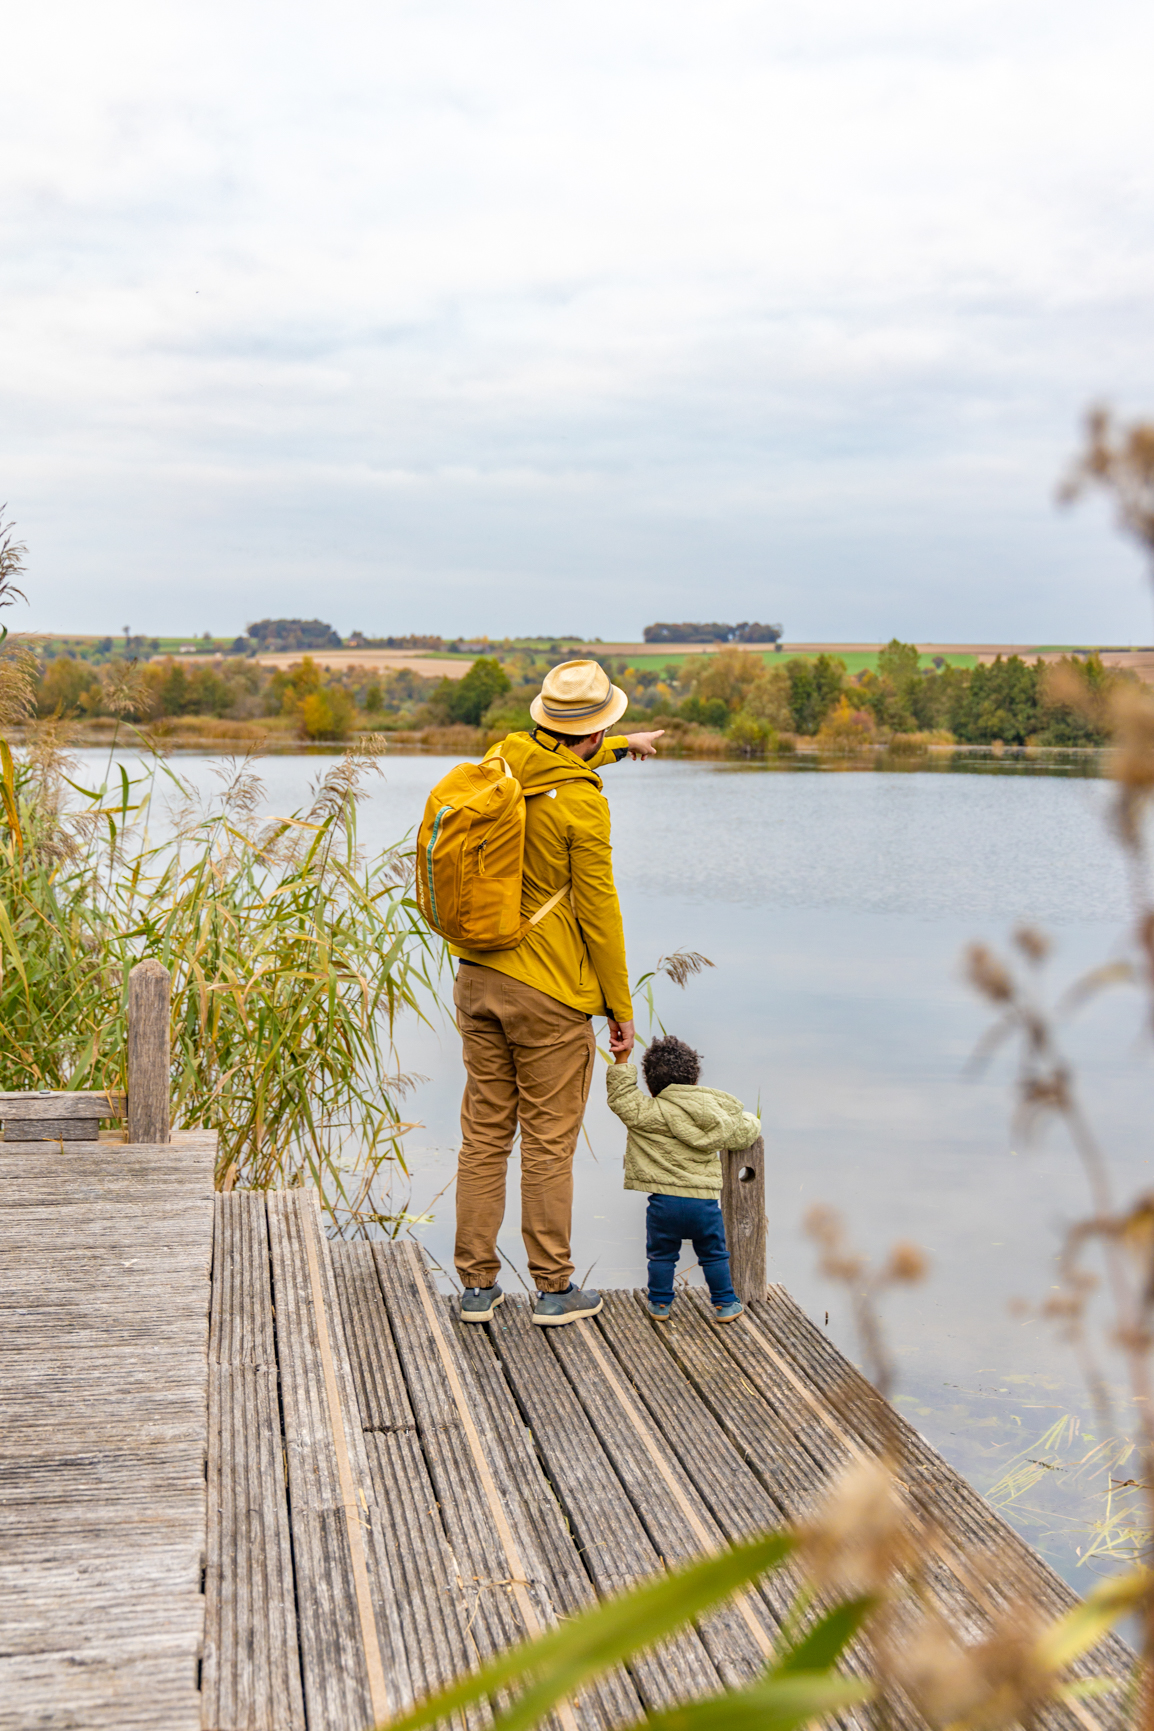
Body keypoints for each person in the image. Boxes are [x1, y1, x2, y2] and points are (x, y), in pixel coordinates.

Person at [452, 659, 663, 1326]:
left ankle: (477, 1290)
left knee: (484, 1136)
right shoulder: (583, 803)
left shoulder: (503, 761)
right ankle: (552, 1288)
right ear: (593, 734)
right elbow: (600, 913)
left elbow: (563, 757)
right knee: (547, 1142)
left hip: (478, 980)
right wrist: (620, 1009)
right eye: (610, 731)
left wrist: (631, 745)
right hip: (546, 998)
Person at [606, 1032, 760, 1322]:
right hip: (703, 1204)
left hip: (663, 1204)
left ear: (651, 1084)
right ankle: (725, 1304)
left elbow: (621, 1097)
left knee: (662, 1256)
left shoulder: (646, 1111)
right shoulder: (712, 1114)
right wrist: (753, 1120)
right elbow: (744, 1130)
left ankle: (660, 1305)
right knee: (714, 1255)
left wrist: (621, 1059)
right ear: (694, 1079)